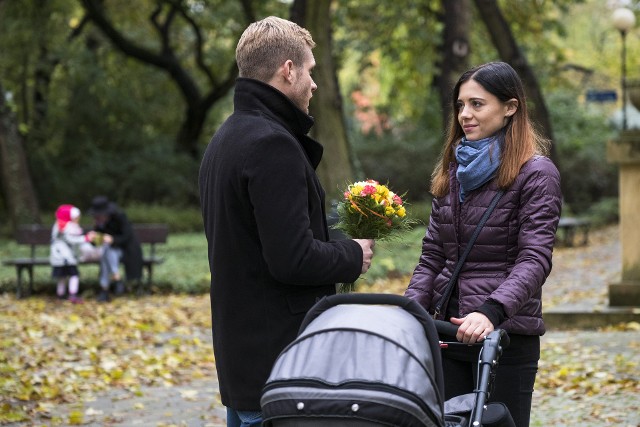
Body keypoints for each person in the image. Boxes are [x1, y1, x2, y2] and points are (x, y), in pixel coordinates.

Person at [198, 16, 375, 427]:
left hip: (244, 361)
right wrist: (352, 254)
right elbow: (291, 259)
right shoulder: (271, 144)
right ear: (288, 70)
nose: (314, 83)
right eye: (310, 70)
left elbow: (255, 245)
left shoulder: (225, 139)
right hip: (280, 365)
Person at [405, 61, 562, 427]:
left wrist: (491, 312)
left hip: (503, 338)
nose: (465, 115)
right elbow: (432, 256)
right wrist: (409, 312)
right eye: (460, 105)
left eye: (477, 104)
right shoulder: (453, 172)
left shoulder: (536, 174)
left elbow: (535, 258)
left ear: (510, 108)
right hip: (447, 336)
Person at [87, 195, 143, 302]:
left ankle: (104, 290)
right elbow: (97, 243)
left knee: (107, 252)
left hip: (126, 251)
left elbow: (127, 237)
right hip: (110, 252)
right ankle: (116, 276)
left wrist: (113, 239)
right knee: (107, 252)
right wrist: (92, 238)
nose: (97, 218)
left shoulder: (120, 217)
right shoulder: (99, 223)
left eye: (99, 215)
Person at [50, 204, 94, 304]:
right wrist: (86, 238)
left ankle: (60, 294)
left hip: (58, 257)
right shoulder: (67, 226)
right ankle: (72, 294)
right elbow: (71, 239)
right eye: (76, 218)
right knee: (73, 274)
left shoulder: (59, 224)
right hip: (66, 257)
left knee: (62, 276)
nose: (78, 220)